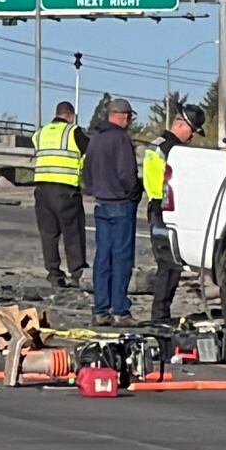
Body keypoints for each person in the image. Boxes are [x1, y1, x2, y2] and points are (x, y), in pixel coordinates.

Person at [82, 99, 141, 327]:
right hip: (120, 204)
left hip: (102, 203)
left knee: (103, 257)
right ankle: (120, 310)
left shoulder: (96, 138)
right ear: (124, 116)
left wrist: (95, 189)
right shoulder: (121, 139)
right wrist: (133, 191)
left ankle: (101, 309)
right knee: (122, 258)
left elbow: (87, 171)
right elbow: (127, 173)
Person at [145, 103, 205, 324]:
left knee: (168, 265)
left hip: (156, 207)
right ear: (182, 125)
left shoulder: (157, 144)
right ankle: (160, 315)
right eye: (193, 131)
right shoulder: (174, 151)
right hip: (165, 209)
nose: (192, 137)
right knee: (169, 266)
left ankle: (160, 313)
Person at [32, 101, 90, 288]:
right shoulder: (73, 131)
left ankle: (53, 273)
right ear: (70, 115)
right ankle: (76, 271)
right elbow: (89, 150)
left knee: (48, 233)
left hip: (42, 189)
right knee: (73, 232)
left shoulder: (40, 133)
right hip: (65, 189)